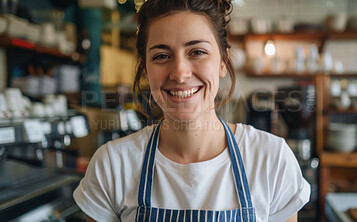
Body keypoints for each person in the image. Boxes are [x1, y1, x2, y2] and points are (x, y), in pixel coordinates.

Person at [73, 0, 311, 221]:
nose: (179, 73)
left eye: (197, 52)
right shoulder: (112, 165)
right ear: (146, 70)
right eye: (161, 56)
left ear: (222, 63)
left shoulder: (271, 160)